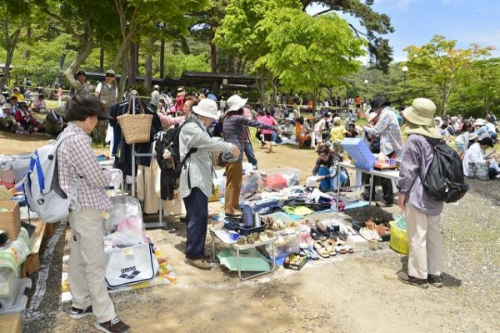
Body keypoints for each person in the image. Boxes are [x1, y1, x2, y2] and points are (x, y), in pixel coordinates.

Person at [57, 95, 130, 332]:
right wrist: (113, 175)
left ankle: (79, 303)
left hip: (76, 206)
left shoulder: (66, 135)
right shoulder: (78, 140)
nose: (97, 123)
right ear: (87, 118)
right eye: (96, 118)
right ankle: (105, 316)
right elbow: (96, 177)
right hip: (86, 208)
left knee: (79, 257)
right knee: (95, 262)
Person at [179, 98, 240, 269]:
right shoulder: (192, 128)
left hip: (197, 177)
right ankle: (194, 255)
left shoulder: (196, 126)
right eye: (211, 117)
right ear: (204, 116)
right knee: (197, 217)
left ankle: (196, 250)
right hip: (194, 178)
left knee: (199, 216)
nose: (213, 121)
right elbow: (209, 143)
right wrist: (229, 147)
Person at [396, 97, 446, 289]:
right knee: (434, 234)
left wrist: (402, 192)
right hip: (436, 193)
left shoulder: (415, 139)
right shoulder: (437, 137)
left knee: (417, 234)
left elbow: (409, 169)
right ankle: (435, 274)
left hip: (418, 193)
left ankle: (418, 276)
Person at [222, 94, 279, 216]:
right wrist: (274, 128)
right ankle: (230, 209)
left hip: (229, 153)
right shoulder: (237, 118)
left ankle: (231, 206)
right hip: (234, 154)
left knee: (232, 182)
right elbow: (256, 124)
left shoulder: (227, 118)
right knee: (234, 183)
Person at [363, 96, 403, 207]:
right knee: (386, 173)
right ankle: (388, 197)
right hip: (390, 147)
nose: (374, 112)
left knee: (386, 173)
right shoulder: (389, 113)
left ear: (378, 107)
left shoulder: (386, 114)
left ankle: (387, 199)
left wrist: (365, 128)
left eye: (374, 109)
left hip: (390, 148)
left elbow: (376, 131)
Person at [95, 69, 118, 145]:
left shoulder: (115, 88)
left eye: (111, 76)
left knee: (110, 125)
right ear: (105, 76)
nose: (109, 77)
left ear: (114, 78)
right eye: (108, 75)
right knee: (102, 125)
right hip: (102, 108)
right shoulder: (100, 84)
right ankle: (103, 141)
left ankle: (108, 141)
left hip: (111, 109)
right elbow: (96, 95)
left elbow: (115, 99)